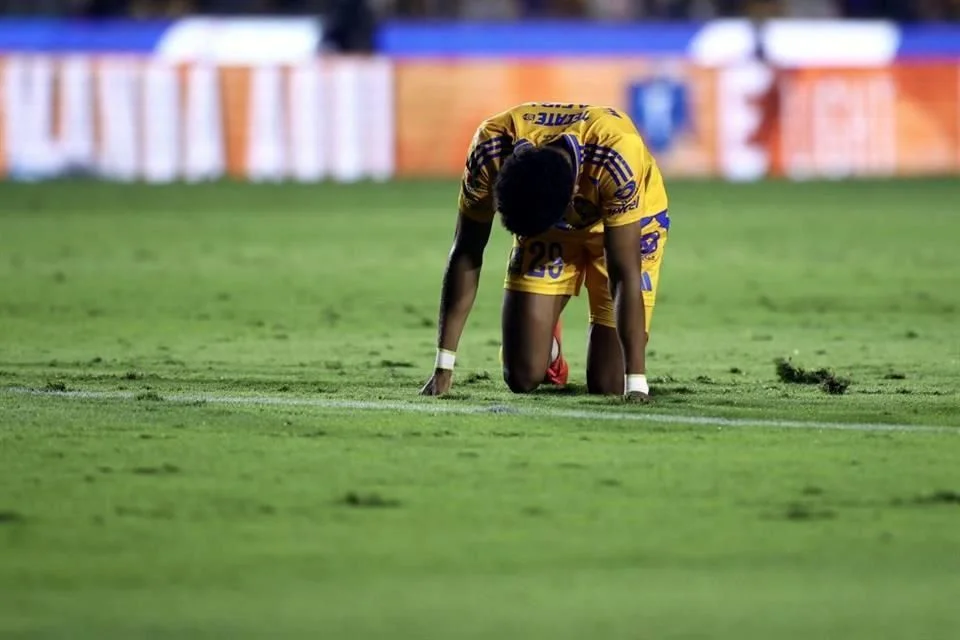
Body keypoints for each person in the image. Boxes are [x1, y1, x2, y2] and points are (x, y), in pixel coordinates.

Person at [419, 103, 670, 403]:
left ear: (573, 201)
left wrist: (637, 383)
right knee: (522, 377)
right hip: (549, 222)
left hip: (629, 224)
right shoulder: (491, 148)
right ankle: (548, 346)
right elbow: (466, 250)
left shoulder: (617, 156)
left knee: (608, 383)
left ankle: (568, 332)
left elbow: (624, 273)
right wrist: (443, 366)